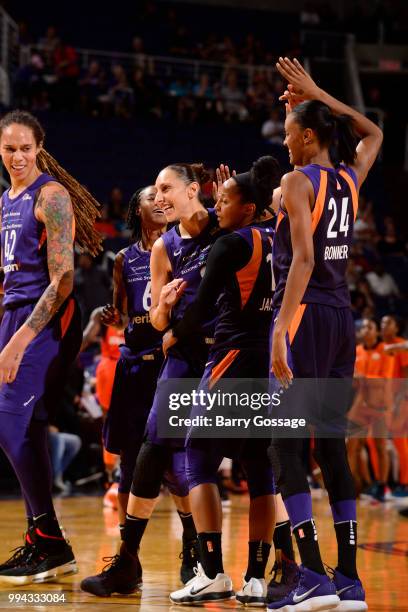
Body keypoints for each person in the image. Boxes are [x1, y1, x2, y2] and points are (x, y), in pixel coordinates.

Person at [268, 57, 383, 611]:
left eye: (290, 133)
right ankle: (350, 580)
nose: (284, 142)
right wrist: (317, 93)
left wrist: (279, 332)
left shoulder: (296, 180)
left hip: (307, 314)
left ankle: (311, 574)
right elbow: (373, 131)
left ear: (307, 137)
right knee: (331, 445)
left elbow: (304, 259)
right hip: (343, 322)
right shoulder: (348, 177)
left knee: (285, 444)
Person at [80, 163, 222, 595]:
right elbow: (129, 314)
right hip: (138, 360)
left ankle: (197, 552)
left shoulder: (199, 239)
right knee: (135, 459)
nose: (158, 199)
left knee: (176, 461)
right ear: (140, 210)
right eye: (151, 194)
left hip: (176, 358)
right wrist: (120, 317)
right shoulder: (130, 258)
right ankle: (131, 558)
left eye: (164, 190)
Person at [167, 156, 281, 606]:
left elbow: (200, 310)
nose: (218, 207)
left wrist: (172, 330)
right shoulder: (275, 237)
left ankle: (212, 570)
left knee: (196, 454)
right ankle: (256, 578)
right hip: (268, 361)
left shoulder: (230, 245)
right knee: (259, 468)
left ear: (248, 208)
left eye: (227, 200)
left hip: (230, 356)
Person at [0, 109, 101, 584]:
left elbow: (62, 279)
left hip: (48, 317)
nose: (17, 156)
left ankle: (46, 537)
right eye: (9, 148)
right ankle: (46, 541)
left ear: (39, 148)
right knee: (24, 425)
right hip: (14, 314)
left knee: (12, 420)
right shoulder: (5, 200)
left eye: (25, 147)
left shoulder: (52, 195)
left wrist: (21, 339)